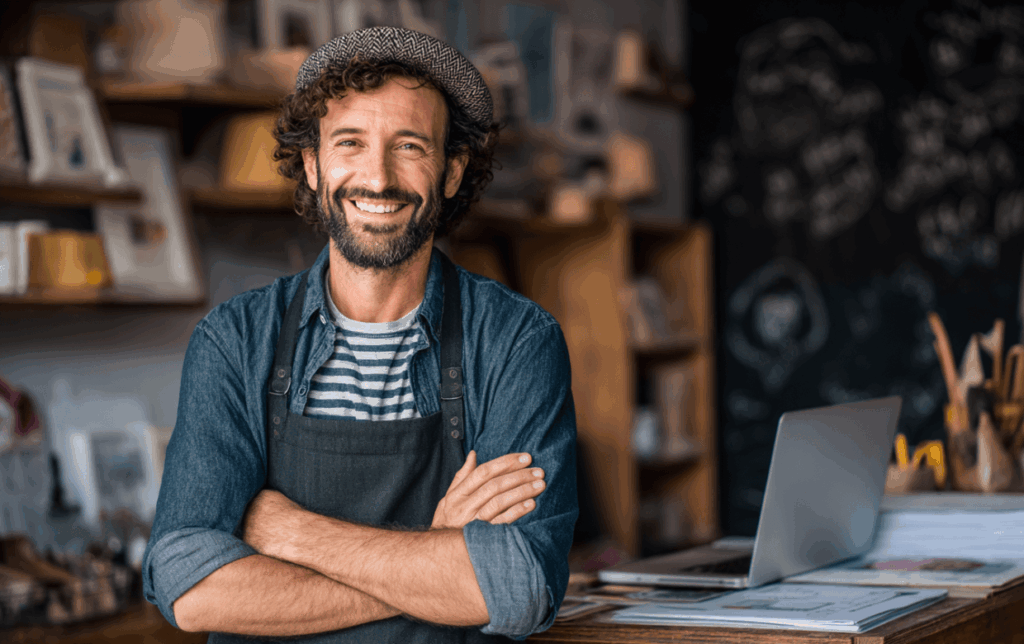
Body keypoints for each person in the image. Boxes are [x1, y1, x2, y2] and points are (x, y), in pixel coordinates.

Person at [141, 26, 579, 644]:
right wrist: (435, 554)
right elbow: (190, 587)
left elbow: (515, 586)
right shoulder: (235, 341)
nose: (377, 178)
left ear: (452, 171)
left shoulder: (514, 342)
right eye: (350, 142)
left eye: (409, 146)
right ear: (314, 165)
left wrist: (291, 533)